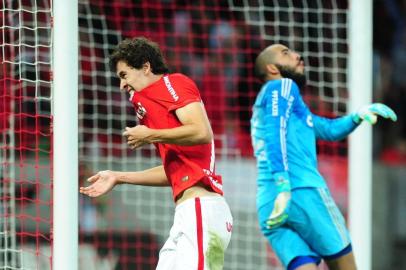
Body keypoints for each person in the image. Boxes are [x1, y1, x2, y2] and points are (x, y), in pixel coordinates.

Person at [79, 37, 233, 270]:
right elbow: (171, 171)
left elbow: (202, 131)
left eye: (124, 75)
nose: (122, 85)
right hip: (185, 215)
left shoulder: (174, 83)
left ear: (146, 67)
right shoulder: (152, 112)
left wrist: (150, 134)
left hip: (202, 210)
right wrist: (119, 177)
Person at [250, 44, 397, 270]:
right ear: (271, 68)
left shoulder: (286, 108)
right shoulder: (282, 86)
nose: (298, 55)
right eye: (285, 53)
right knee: (346, 266)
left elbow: (327, 129)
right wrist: (283, 184)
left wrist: (357, 116)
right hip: (299, 191)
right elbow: (275, 132)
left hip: (269, 203)